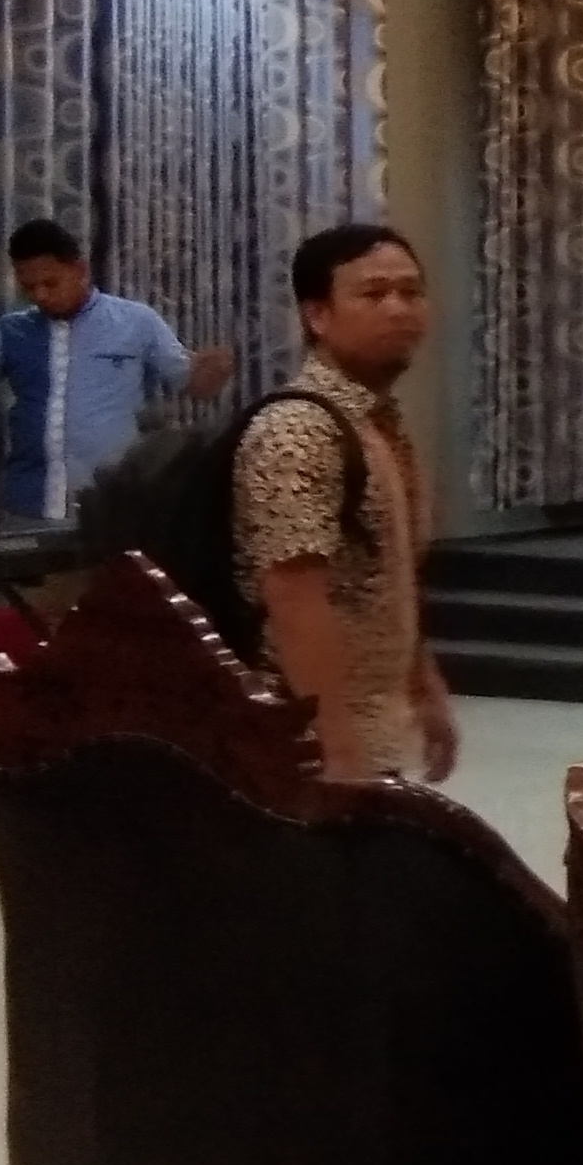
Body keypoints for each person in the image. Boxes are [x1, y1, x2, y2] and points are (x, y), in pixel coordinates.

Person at [232, 224, 455, 785]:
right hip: (301, 746)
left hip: (378, 729)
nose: (399, 309)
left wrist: (423, 683)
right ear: (318, 316)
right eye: (374, 294)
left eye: (411, 292)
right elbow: (293, 599)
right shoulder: (297, 430)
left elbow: (388, 578)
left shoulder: (377, 422)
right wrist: (336, 749)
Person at [0, 219, 233, 519]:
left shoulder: (136, 322)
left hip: (111, 505)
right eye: (28, 287)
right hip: (28, 504)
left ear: (79, 270)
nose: (40, 295)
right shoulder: (10, 332)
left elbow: (195, 386)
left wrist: (215, 370)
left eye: (50, 283)